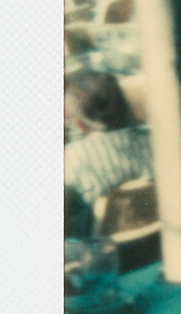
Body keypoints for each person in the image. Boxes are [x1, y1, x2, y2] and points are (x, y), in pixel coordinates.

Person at [63, 70, 154, 222]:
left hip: (104, 241)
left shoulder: (71, 159)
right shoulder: (155, 138)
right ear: (125, 104)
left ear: (79, 124)